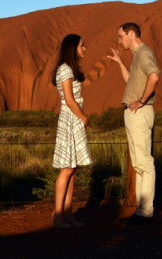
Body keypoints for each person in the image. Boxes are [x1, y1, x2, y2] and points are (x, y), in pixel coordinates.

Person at [107, 22, 160, 225]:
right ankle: (141, 211)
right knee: (139, 164)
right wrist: (120, 62)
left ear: (131, 34)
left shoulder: (144, 53)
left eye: (121, 36)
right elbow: (131, 81)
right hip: (133, 112)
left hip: (139, 113)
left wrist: (142, 100)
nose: (119, 41)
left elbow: (154, 76)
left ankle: (145, 212)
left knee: (145, 164)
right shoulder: (137, 56)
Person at [50, 34, 93, 228]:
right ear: (73, 47)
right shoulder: (65, 69)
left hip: (74, 119)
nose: (85, 49)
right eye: (82, 46)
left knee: (72, 169)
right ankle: (58, 215)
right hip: (70, 120)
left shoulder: (70, 69)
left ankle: (68, 213)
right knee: (66, 168)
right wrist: (83, 118)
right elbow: (68, 99)